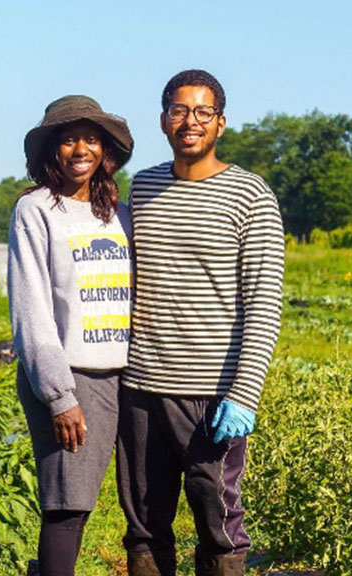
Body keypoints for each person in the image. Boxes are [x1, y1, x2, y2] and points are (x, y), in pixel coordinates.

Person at [117, 70, 285, 576]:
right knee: (145, 522)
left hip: (211, 393)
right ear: (164, 120)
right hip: (142, 386)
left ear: (221, 123)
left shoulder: (250, 195)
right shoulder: (143, 187)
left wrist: (244, 392)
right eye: (179, 110)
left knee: (220, 521)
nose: (190, 121)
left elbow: (264, 302)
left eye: (202, 112)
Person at [8, 95, 134, 576]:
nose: (79, 148)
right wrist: (60, 396)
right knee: (68, 507)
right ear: (51, 152)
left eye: (90, 138)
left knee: (143, 501)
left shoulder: (118, 213)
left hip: (128, 375)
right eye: (67, 139)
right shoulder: (37, 210)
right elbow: (31, 307)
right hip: (72, 377)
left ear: (104, 150)